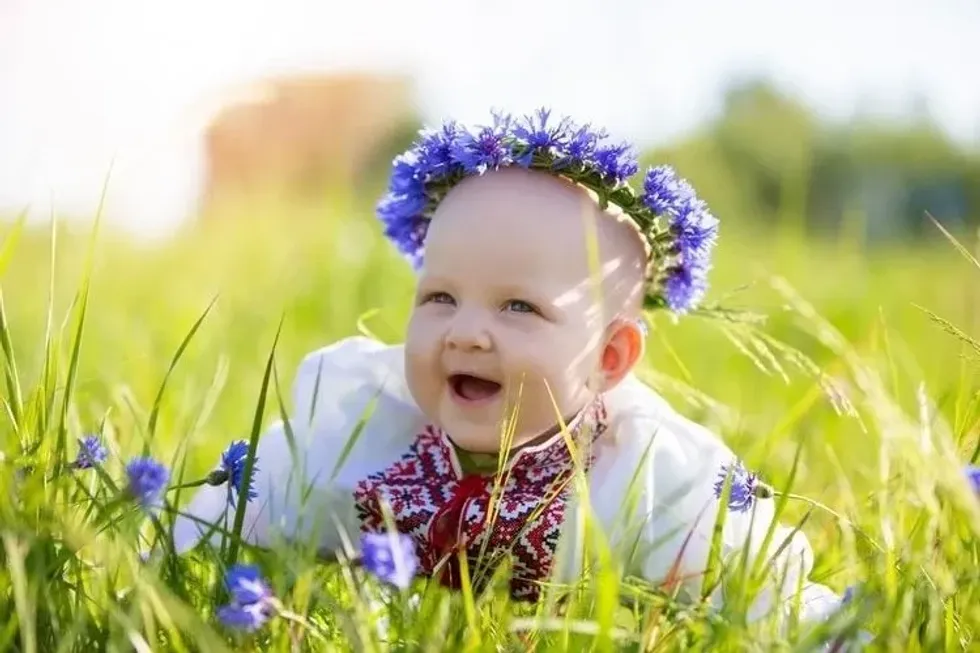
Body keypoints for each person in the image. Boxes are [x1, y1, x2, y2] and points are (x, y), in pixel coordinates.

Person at [172, 109, 849, 630]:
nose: (466, 332)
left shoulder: (650, 477)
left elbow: (761, 586)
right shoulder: (366, 429)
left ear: (609, 359)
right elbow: (244, 510)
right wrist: (175, 553)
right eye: (440, 297)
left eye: (519, 307)